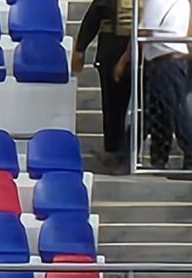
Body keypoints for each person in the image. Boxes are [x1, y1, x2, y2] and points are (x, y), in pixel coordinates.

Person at [71, 0, 134, 173]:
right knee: (113, 104)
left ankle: (132, 151)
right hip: (113, 49)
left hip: (145, 50)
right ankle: (114, 150)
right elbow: (94, 16)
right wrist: (80, 48)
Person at [137, 0, 192, 172]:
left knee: (177, 110)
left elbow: (144, 31)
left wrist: (124, 59)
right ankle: (159, 158)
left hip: (165, 61)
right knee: (160, 111)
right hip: (169, 59)